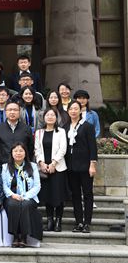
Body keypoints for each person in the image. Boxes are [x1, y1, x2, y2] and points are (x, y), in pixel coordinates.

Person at [1, 142, 42, 247]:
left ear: (25, 153)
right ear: (11, 153)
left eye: (21, 151)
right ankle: (15, 236)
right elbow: (4, 185)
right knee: (13, 204)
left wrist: (25, 196)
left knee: (25, 205)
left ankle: (24, 237)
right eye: (15, 151)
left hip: (29, 197)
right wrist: (12, 195)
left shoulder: (33, 166)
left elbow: (37, 186)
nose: (18, 153)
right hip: (11, 196)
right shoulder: (5, 167)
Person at [66, 100, 98, 233]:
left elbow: (93, 147)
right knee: (75, 195)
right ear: (68, 111)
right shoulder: (64, 127)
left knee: (87, 194)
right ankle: (79, 222)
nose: (73, 111)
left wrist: (92, 164)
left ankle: (87, 223)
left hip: (85, 166)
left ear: (80, 110)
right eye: (71, 109)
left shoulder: (87, 126)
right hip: (70, 166)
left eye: (76, 109)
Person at [35, 108, 67, 232]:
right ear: (44, 118)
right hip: (44, 169)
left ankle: (58, 221)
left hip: (58, 168)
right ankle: (49, 221)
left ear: (56, 118)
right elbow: (37, 149)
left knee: (58, 195)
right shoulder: (39, 132)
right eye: (47, 115)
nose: (50, 117)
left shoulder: (61, 131)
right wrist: (41, 163)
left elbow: (63, 149)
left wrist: (53, 163)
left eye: (53, 115)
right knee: (47, 195)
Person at [0, 102, 34, 166]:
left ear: (19, 112)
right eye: (10, 110)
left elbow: (30, 147)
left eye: (15, 110)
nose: (12, 112)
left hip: (22, 164)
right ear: (5, 112)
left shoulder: (26, 128)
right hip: (4, 164)